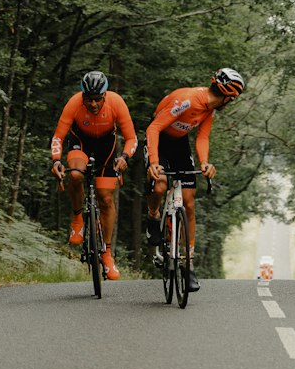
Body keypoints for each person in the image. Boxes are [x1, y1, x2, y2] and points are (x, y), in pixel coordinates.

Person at [143, 66, 245, 292]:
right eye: (233, 98)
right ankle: (153, 216)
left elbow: (203, 137)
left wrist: (205, 163)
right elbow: (154, 128)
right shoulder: (188, 101)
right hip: (159, 139)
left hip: (179, 144)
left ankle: (187, 265)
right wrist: (153, 162)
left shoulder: (210, 110)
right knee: (160, 184)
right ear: (228, 96)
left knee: (188, 203)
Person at [50, 70, 137, 280]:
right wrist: (55, 160)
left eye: (98, 99)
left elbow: (132, 138)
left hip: (106, 146)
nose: (94, 104)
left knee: (106, 198)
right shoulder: (74, 104)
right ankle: (78, 218)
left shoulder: (116, 103)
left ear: (105, 96)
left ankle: (106, 253)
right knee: (77, 175)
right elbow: (58, 137)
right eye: (89, 100)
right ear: (83, 97)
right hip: (80, 142)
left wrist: (125, 156)